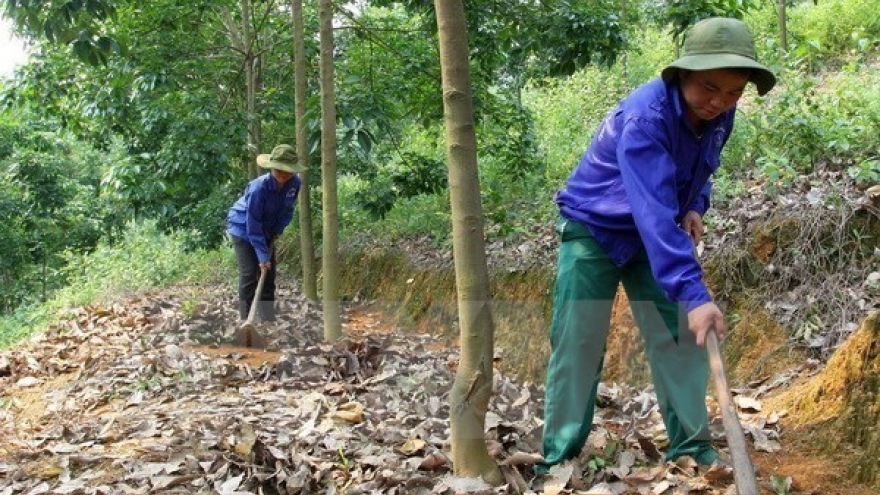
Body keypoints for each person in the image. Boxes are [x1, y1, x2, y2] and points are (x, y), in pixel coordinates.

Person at [539, 17, 776, 472]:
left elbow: (700, 168)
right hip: (595, 228)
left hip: (658, 226)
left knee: (681, 336)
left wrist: (695, 206)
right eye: (710, 88)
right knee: (579, 339)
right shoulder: (646, 118)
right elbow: (649, 210)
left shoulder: (719, 116)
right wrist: (694, 293)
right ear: (682, 74)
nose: (719, 102)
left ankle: (690, 446)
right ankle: (559, 457)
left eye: (733, 93)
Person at [227, 144, 305, 322]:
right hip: (243, 228)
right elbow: (253, 223)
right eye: (279, 171)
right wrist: (262, 255)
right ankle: (246, 319)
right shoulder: (258, 189)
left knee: (269, 275)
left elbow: (287, 210)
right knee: (249, 273)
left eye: (288, 171)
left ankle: (267, 317)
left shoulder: (295, 183)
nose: (284, 176)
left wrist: (277, 231)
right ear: (272, 168)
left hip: (268, 229)